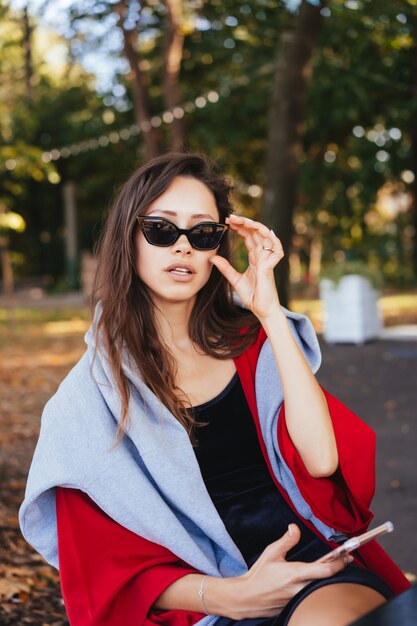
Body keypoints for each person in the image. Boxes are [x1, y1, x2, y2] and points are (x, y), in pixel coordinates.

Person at [20, 152, 409, 626]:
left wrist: (269, 314)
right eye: (162, 230)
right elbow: (103, 564)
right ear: (128, 239)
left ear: (215, 250)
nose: (182, 247)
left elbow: (322, 460)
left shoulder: (252, 342)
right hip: (202, 602)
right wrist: (228, 597)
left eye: (202, 233)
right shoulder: (86, 401)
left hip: (308, 571)